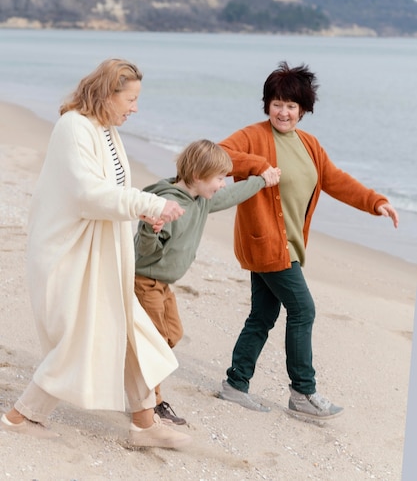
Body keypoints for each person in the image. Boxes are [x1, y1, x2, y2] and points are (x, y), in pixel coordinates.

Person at [0, 58, 192, 449]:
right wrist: (151, 205)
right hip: (69, 254)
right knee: (79, 339)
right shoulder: (74, 127)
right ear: (108, 93)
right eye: (131, 99)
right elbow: (86, 194)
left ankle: (144, 423)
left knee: (128, 330)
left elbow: (111, 191)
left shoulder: (104, 129)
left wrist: (141, 212)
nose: (135, 108)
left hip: (102, 252)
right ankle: (20, 416)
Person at [218, 62, 399, 418]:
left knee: (262, 316)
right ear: (267, 104)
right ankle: (303, 393)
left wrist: (375, 202)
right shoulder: (253, 136)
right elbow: (218, 157)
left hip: (290, 246)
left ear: (303, 110)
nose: (283, 112)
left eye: (291, 106)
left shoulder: (308, 144)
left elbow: (335, 179)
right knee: (303, 309)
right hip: (266, 243)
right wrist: (256, 166)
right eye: (277, 103)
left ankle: (235, 384)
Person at [134, 139, 281, 425]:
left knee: (172, 335)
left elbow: (230, 196)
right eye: (219, 178)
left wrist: (261, 181)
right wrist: (152, 230)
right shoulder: (169, 204)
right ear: (198, 177)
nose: (223, 184)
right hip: (145, 281)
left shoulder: (201, 199)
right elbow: (146, 251)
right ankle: (152, 402)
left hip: (163, 283)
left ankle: (138, 387)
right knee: (156, 343)